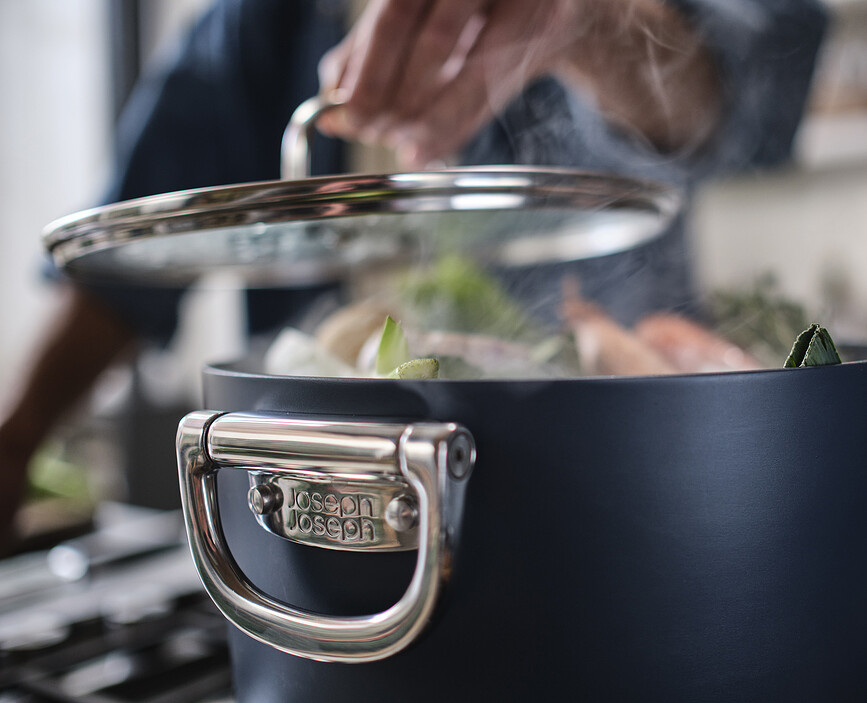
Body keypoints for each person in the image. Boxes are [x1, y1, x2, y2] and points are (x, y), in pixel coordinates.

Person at [0, 0, 827, 551]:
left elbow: (745, 104)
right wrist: (18, 438)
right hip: (328, 516)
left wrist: (582, 20)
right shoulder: (260, 21)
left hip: (610, 490)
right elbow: (121, 270)